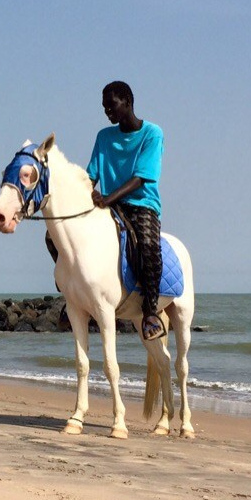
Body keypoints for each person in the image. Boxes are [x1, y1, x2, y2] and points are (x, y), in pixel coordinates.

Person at [87, 81, 166, 341]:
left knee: (148, 246)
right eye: (104, 107)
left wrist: (108, 198)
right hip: (110, 206)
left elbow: (141, 177)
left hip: (142, 204)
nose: (107, 111)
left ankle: (150, 312)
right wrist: (83, 193)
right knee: (63, 236)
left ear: (128, 102)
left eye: (112, 105)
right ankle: (75, 294)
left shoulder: (152, 134)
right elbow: (91, 176)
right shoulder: (103, 137)